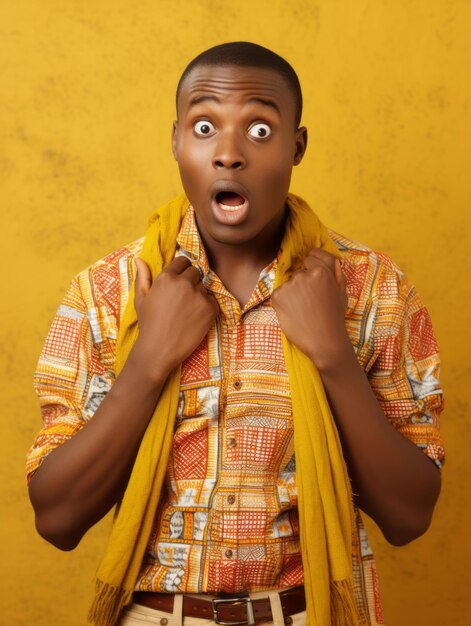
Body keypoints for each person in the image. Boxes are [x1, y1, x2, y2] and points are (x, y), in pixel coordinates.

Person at [26, 42, 444, 626]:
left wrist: (333, 356)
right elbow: (58, 520)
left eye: (260, 130)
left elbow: (409, 517)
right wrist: (149, 360)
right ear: (176, 140)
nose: (228, 154)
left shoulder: (373, 288)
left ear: (297, 147)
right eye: (204, 126)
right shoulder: (107, 292)